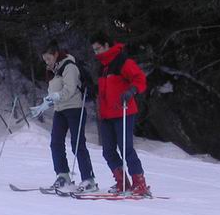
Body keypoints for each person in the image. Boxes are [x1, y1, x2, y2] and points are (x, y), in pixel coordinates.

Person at [29, 40, 97, 193]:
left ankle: (89, 179)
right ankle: (63, 176)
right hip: (60, 110)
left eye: (48, 58)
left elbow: (70, 90)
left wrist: (55, 97)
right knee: (56, 143)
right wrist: (44, 104)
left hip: (75, 109)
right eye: (44, 59)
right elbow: (53, 93)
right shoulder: (53, 70)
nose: (47, 62)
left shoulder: (69, 66)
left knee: (77, 144)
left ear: (55, 54)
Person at [91, 32, 151, 196]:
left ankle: (140, 183)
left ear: (106, 45)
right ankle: (122, 182)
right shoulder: (102, 67)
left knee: (126, 148)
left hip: (123, 111)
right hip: (106, 114)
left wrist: (132, 90)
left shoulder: (122, 61)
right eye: (94, 50)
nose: (96, 52)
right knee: (108, 151)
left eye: (98, 48)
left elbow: (139, 79)